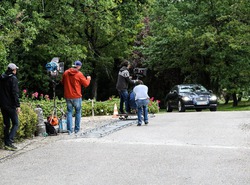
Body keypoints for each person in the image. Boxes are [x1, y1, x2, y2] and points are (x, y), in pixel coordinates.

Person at [62, 61, 91, 135]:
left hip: (68, 96)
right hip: (77, 96)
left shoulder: (65, 73)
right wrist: (88, 79)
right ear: (78, 66)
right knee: (78, 112)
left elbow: (62, 82)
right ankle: (77, 129)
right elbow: (86, 84)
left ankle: (69, 130)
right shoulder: (79, 74)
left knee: (69, 112)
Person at [0, 63, 21, 151]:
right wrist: (18, 105)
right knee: (16, 123)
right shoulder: (13, 79)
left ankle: (6, 142)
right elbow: (15, 93)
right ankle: (10, 141)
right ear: (13, 70)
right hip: (11, 105)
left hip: (2, 104)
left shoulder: (1, 78)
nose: (16, 71)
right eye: (15, 69)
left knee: (7, 124)